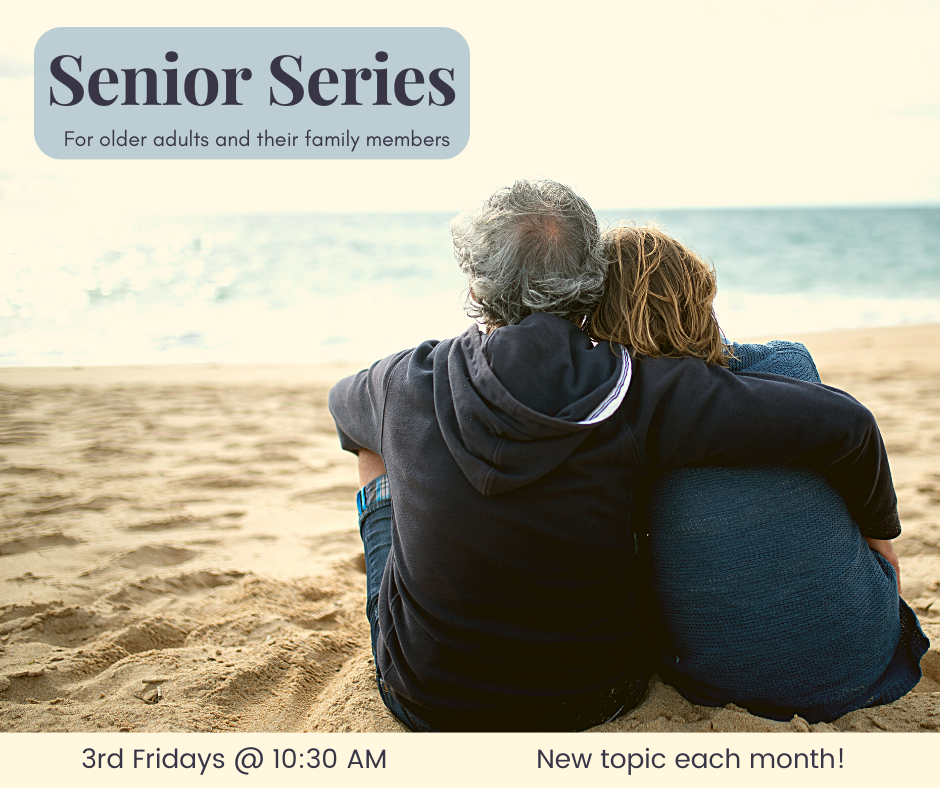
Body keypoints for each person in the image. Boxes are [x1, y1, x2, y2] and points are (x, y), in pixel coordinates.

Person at [328, 180, 904, 731]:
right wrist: (881, 534)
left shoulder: (402, 380)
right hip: (595, 697)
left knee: (377, 448)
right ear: (589, 280)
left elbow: (341, 407)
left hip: (429, 701)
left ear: (475, 287)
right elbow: (845, 422)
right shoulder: (639, 390)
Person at [589, 224, 928, 722]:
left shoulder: (615, 420)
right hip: (861, 657)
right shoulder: (788, 364)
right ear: (704, 295)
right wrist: (882, 538)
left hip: (720, 683)